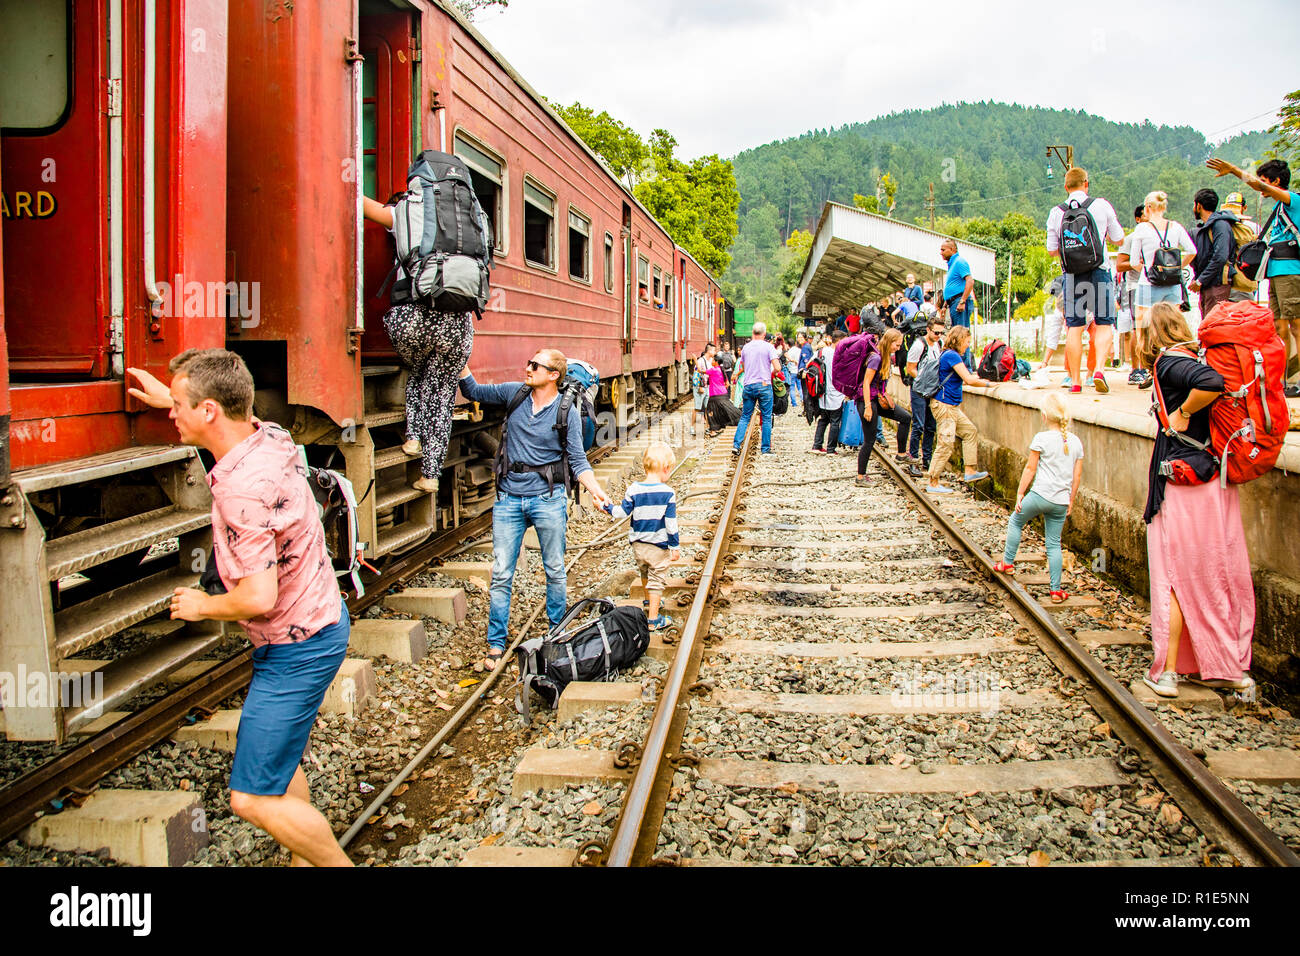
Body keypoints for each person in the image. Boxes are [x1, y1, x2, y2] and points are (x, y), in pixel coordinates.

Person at [126, 352, 353, 867]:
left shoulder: (241, 494)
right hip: (319, 624)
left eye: (178, 407)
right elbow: (230, 417)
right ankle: (303, 857)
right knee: (282, 761)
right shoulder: (270, 438)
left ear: (208, 411)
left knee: (250, 798)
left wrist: (202, 605)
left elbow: (257, 598)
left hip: (296, 648)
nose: (170, 415)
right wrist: (175, 396)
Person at [458, 350, 612, 668]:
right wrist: (457, 357)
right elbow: (472, 391)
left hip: (548, 499)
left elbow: (577, 458)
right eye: (528, 362)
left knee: (554, 571)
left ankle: (556, 635)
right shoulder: (513, 393)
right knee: (501, 574)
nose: (527, 368)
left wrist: (596, 491)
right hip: (509, 499)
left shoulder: (565, 410)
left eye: (535, 365)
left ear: (553, 375)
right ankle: (495, 644)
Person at [1137, 302, 1254, 698]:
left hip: (1183, 484)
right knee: (1215, 572)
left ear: (1154, 333)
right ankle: (1223, 664)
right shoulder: (1188, 355)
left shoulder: (1170, 362)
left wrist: (1183, 412)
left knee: (1175, 575)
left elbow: (1211, 382)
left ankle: (1168, 672)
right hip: (1211, 479)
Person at [362, 197, 474, 495]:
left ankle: (413, 438)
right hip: (456, 325)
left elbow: (360, 202)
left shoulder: (405, 212)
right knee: (441, 396)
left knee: (418, 370)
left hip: (412, 319)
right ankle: (431, 476)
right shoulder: (461, 222)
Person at [1207, 157, 1300, 395]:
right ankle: (1283, 379)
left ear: (1276, 181)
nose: (1261, 185)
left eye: (1265, 180)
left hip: (1291, 271)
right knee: (1279, 325)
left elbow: (1261, 187)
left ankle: (1297, 378)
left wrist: (1235, 170)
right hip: (1276, 271)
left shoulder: (1292, 201)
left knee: (1296, 325)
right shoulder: (1279, 208)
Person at [992, 393, 1083, 604]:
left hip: (1040, 495)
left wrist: (1020, 493)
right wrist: (1071, 499)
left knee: (1016, 521)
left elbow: (1030, 468)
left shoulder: (1041, 438)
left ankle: (1007, 563)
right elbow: (1077, 476)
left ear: (1044, 416)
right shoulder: (1076, 442)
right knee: (1053, 543)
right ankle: (1056, 590)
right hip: (1060, 501)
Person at [1044, 167, 1125, 394]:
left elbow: (1052, 250)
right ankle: (1098, 370)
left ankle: (1076, 380)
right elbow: (1119, 239)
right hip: (1099, 270)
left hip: (1071, 275)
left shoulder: (1056, 212)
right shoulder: (1101, 205)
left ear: (1066, 187)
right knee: (1104, 323)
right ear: (1086, 183)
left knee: (1074, 327)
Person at [605, 443, 681, 631]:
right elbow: (671, 523)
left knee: (645, 572)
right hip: (657, 545)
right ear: (665, 469)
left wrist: (607, 507)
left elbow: (622, 512)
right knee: (657, 580)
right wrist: (674, 546)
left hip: (638, 545)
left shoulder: (634, 489)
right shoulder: (668, 493)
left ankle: (649, 602)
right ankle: (654, 620)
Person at [1124, 190, 1196, 384]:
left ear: (1147, 208)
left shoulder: (1141, 230)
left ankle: (1149, 368)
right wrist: (1177, 268)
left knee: (1144, 329)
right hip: (1173, 284)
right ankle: (1178, 366)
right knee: (1173, 327)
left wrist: (1146, 269)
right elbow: (1191, 250)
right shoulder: (1176, 227)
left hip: (1148, 283)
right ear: (1164, 207)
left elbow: (1132, 262)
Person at [925, 326, 989, 493]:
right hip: (945, 405)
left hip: (950, 405)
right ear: (959, 340)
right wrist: (990, 384)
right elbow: (968, 379)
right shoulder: (952, 355)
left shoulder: (950, 355)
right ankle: (933, 481)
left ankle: (969, 471)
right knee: (945, 443)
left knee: (969, 431)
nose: (968, 345)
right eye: (967, 341)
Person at [855, 329, 913, 485]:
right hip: (866, 400)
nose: (898, 348)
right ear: (889, 341)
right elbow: (866, 383)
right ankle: (860, 477)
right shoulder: (875, 358)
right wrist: (867, 407)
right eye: (897, 344)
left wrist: (885, 394)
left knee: (906, 417)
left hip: (877, 399)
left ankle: (901, 453)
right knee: (869, 440)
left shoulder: (886, 358)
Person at [730, 322, 782, 455]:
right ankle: (765, 449)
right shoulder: (768, 347)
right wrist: (772, 374)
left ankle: (736, 445)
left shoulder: (746, 348)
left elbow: (743, 365)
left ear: (753, 333)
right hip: (764, 385)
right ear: (764, 334)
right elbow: (777, 367)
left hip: (748, 386)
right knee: (766, 417)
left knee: (745, 417)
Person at [905, 315, 945, 476]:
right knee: (918, 425)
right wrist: (923, 381)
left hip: (932, 391)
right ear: (928, 330)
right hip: (919, 390)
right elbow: (910, 368)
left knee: (930, 426)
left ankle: (927, 458)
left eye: (941, 333)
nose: (938, 336)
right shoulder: (919, 345)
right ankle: (913, 458)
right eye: (936, 333)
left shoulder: (938, 345)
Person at [1190, 188, 1237, 320]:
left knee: (1214, 324)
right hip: (1207, 285)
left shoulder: (1220, 225)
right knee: (1208, 323)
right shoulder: (1207, 227)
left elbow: (1220, 257)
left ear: (1198, 205)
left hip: (1217, 284)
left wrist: (1201, 280)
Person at [1115, 205, 1148, 385]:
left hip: (1154, 284)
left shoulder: (1155, 237)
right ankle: (1136, 369)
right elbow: (1120, 265)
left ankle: (1151, 367)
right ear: (1137, 219)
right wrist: (1137, 263)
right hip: (1135, 285)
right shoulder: (1131, 239)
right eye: (1145, 216)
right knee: (1137, 328)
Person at [811, 329, 846, 454]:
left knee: (823, 419)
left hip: (822, 392)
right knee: (835, 421)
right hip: (836, 393)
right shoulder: (840, 355)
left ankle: (817, 445)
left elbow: (810, 365)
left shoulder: (821, 352)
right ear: (840, 341)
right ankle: (831, 449)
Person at [691, 343, 715, 437]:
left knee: (707, 407)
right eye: (713, 350)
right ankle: (692, 427)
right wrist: (700, 386)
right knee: (697, 408)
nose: (714, 352)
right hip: (700, 388)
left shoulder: (709, 361)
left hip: (707, 387)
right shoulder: (701, 361)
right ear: (709, 351)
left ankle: (709, 427)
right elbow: (696, 374)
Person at [705, 352, 731, 436]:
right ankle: (718, 428)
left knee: (710, 411)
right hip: (723, 394)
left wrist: (695, 361)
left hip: (714, 394)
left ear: (716, 362)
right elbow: (727, 384)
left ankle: (713, 431)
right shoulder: (721, 369)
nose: (711, 361)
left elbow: (699, 370)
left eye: (712, 360)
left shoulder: (713, 370)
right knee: (719, 411)